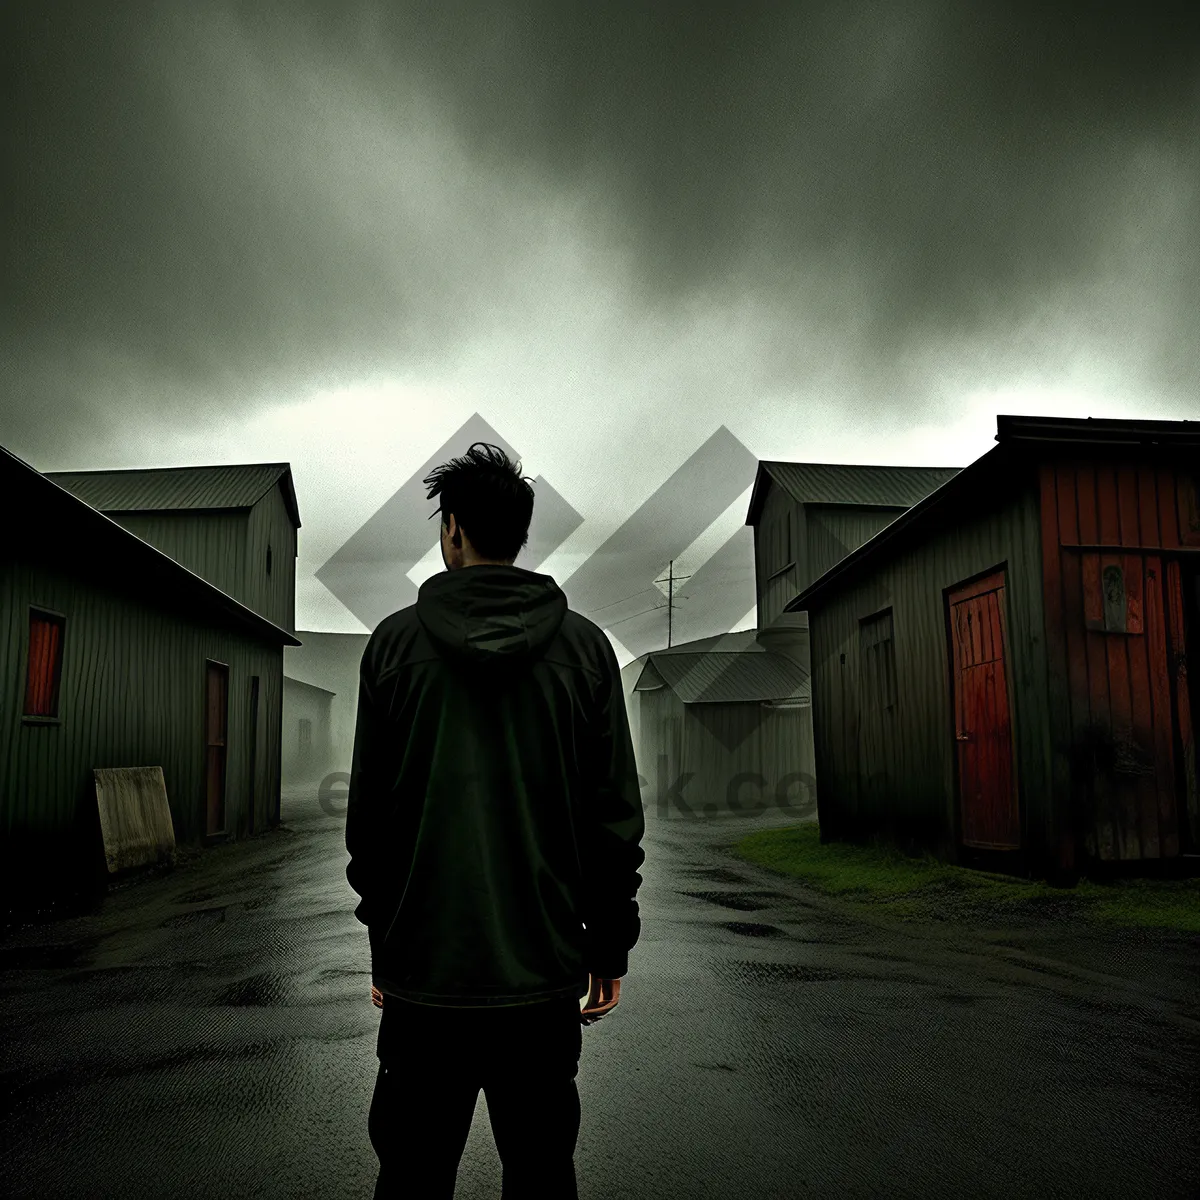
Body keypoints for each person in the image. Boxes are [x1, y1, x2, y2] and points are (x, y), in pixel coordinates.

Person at [345, 442, 646, 1199]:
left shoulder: (392, 647)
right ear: (518, 536)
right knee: (542, 1175)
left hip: (424, 979)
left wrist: (387, 939)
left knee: (411, 1178)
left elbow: (370, 821)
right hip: (541, 981)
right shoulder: (584, 650)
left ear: (452, 531)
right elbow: (612, 817)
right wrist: (606, 945)